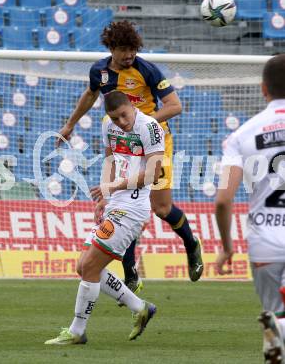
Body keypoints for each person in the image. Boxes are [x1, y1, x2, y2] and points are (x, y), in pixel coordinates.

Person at [58, 20, 203, 292]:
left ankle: (191, 243)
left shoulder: (147, 70)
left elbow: (175, 106)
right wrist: (70, 124)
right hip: (123, 144)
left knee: (160, 209)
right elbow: (90, 96)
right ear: (111, 48)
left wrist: (143, 124)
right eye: (124, 50)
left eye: (133, 50)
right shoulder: (99, 72)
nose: (129, 55)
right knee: (123, 204)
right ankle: (130, 270)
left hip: (155, 141)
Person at [45, 91, 164, 345]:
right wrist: (104, 198)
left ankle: (77, 331)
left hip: (132, 209)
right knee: (83, 267)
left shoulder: (150, 127)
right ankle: (141, 308)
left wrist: (114, 187)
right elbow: (111, 160)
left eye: (123, 115)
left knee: (89, 267)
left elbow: (154, 173)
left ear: (131, 106)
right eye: (115, 117)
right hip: (115, 204)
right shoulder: (108, 126)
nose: (121, 121)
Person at [215, 54, 285, 363]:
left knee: (275, 311)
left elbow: (223, 200)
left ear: (263, 89)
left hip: (264, 242)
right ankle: (279, 329)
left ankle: (277, 328)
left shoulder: (241, 136)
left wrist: (227, 247)